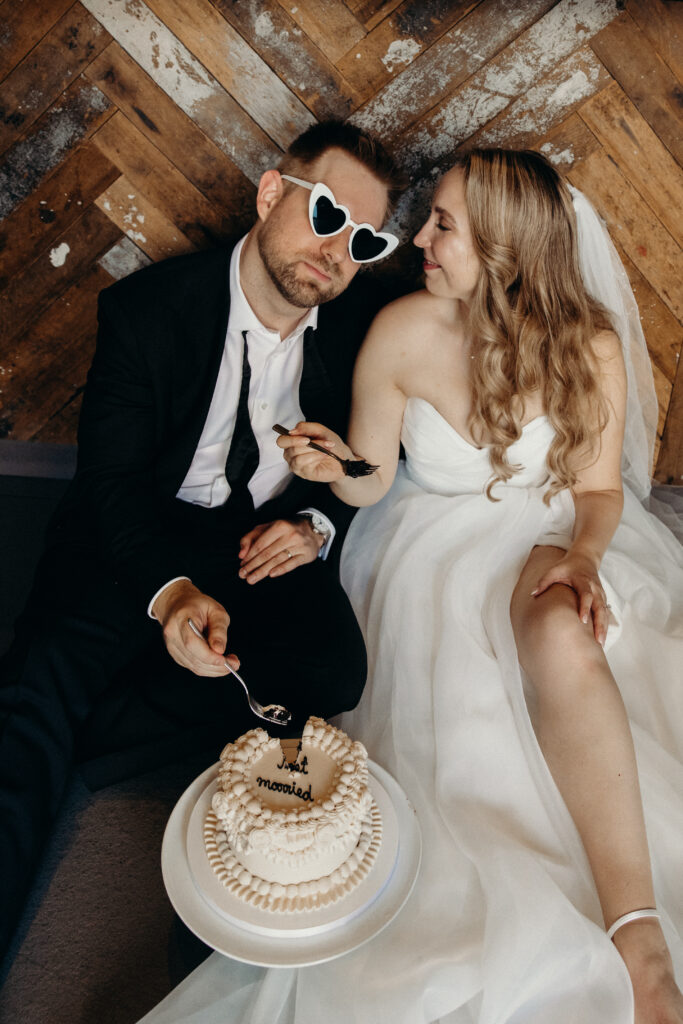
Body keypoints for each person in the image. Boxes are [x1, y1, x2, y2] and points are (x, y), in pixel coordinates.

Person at [272, 149, 683, 1023]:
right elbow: (372, 477)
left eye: (442, 225)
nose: (418, 238)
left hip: (547, 529)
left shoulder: (590, 344)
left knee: (566, 631)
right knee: (456, 723)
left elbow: (600, 490)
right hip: (426, 543)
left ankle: (638, 934)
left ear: (502, 246)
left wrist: (582, 556)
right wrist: (332, 464)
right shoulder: (402, 332)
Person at [0, 120, 404, 965]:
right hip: (136, 534)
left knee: (333, 670)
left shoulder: (367, 325)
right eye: (327, 215)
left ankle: (125, 729)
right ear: (270, 194)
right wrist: (169, 593)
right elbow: (107, 486)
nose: (338, 252)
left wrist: (315, 522)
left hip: (261, 540)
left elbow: (370, 464)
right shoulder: (148, 313)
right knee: (35, 696)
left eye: (364, 238)